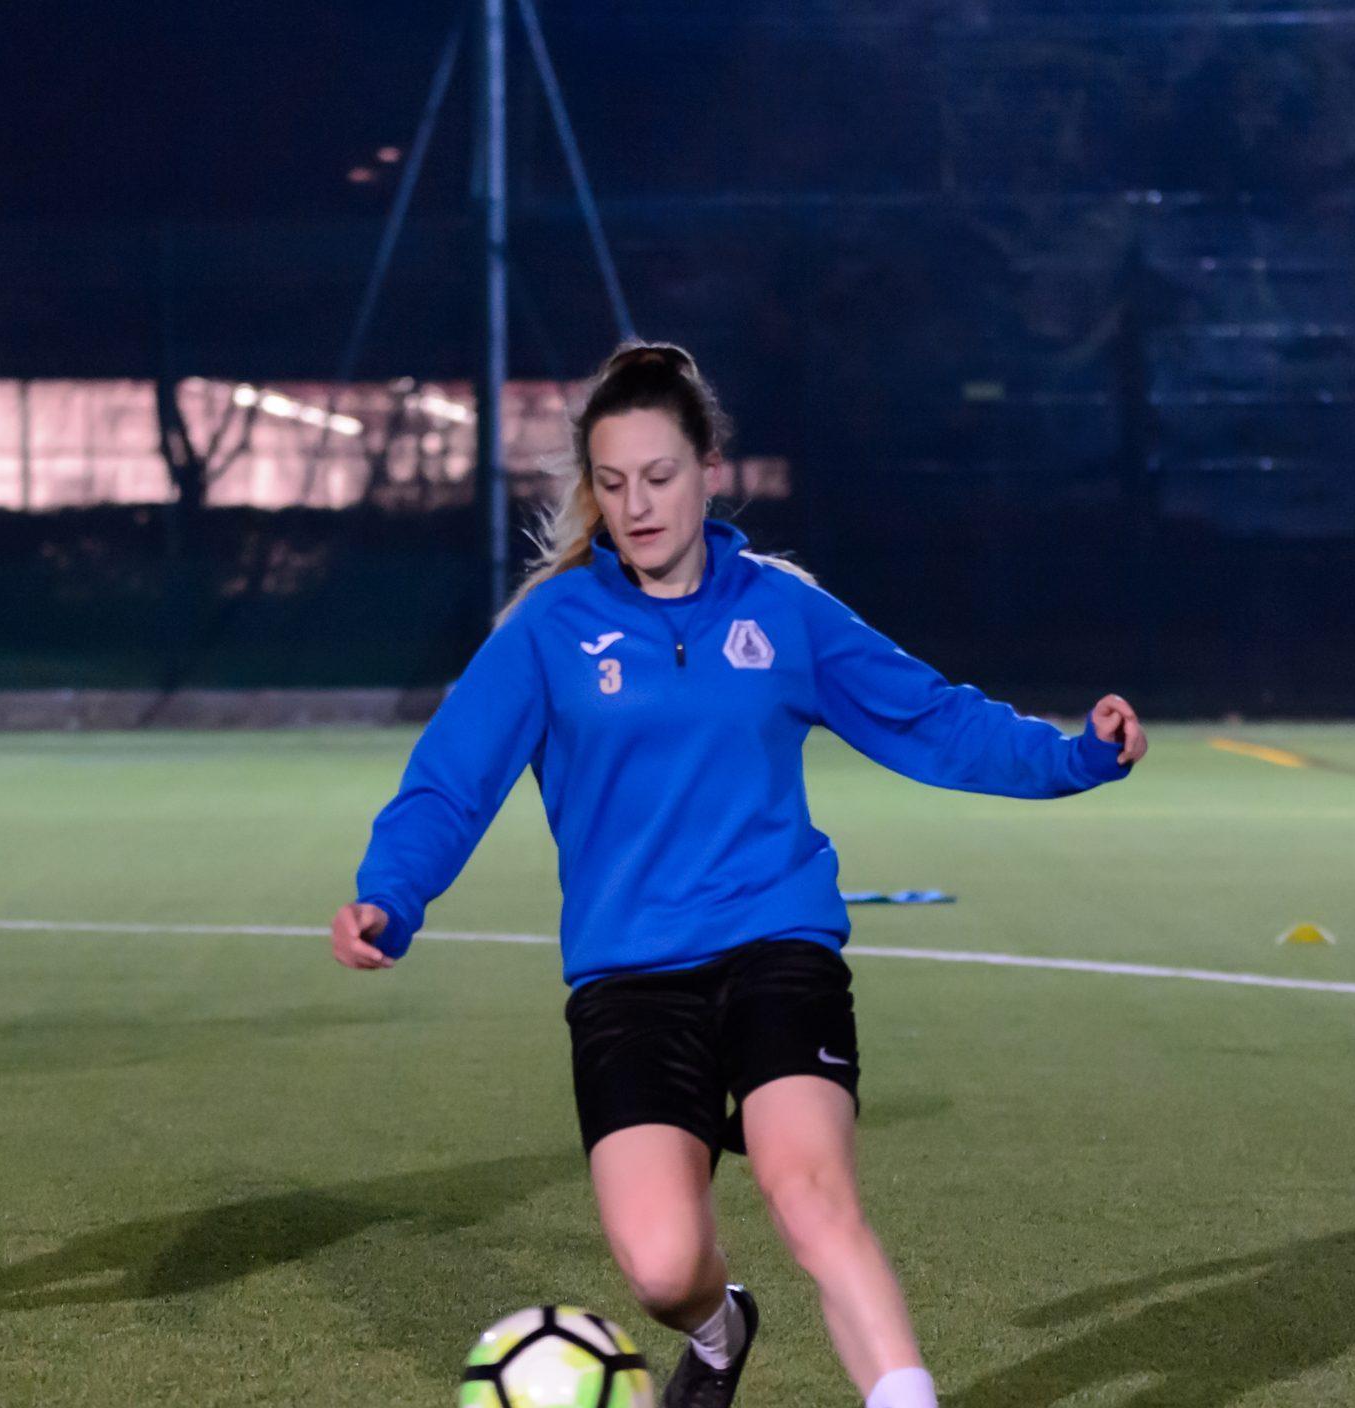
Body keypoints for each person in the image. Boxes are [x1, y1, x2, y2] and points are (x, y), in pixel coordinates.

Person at [331, 343, 1147, 1408]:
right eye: (613, 483)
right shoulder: (549, 631)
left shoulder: (784, 610)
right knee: (663, 1267)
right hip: (629, 977)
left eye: (660, 477)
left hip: (777, 947)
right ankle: (722, 1330)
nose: (637, 504)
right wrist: (390, 896)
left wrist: (1073, 754)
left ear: (712, 469)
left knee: (808, 1192)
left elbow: (929, 717)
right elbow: (450, 781)